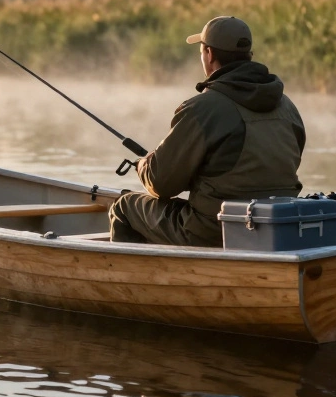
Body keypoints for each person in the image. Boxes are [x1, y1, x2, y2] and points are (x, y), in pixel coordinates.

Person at [109, 16, 305, 247]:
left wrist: (144, 164)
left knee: (124, 206)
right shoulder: (287, 105)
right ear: (248, 56)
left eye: (202, 51)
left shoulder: (203, 108)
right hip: (276, 226)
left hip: (214, 228)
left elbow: (161, 184)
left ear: (209, 54)